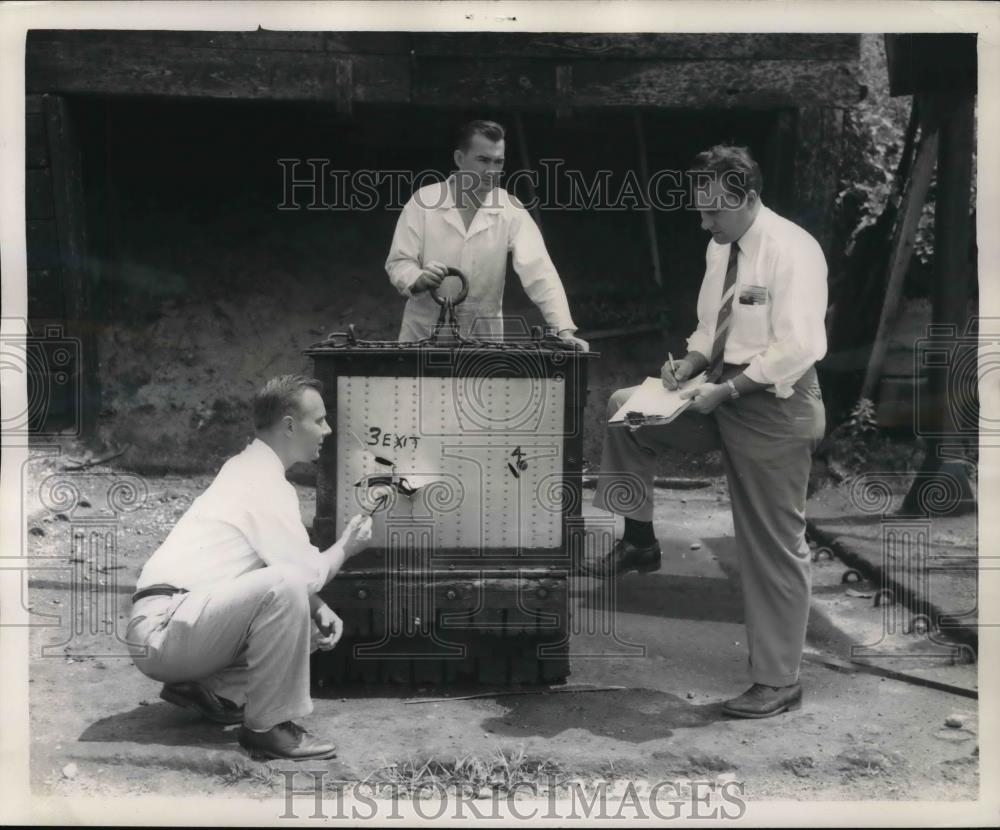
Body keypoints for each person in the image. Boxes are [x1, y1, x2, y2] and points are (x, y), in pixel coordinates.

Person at [591, 145, 828, 719]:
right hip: (719, 392)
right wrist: (692, 366)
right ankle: (640, 540)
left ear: (745, 198)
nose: (703, 222)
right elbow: (708, 327)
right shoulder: (720, 246)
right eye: (699, 210)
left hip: (774, 405)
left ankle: (778, 682)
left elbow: (800, 346)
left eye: (713, 212)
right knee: (628, 412)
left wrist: (728, 390)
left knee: (772, 547)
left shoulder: (791, 250)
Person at [126, 375, 373, 760]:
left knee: (305, 619)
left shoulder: (249, 468)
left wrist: (318, 606)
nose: (329, 429)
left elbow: (272, 562)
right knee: (291, 585)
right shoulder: (261, 480)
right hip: (165, 628)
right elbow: (302, 573)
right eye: (320, 420)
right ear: (290, 426)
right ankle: (267, 727)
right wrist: (347, 546)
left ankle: (214, 691)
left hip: (176, 622)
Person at [385, 119, 588, 349]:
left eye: (498, 162)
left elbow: (539, 270)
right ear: (459, 159)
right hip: (421, 339)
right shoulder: (423, 202)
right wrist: (418, 279)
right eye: (483, 160)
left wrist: (564, 330)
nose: (491, 171)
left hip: (482, 344)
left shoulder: (510, 209)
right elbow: (399, 262)